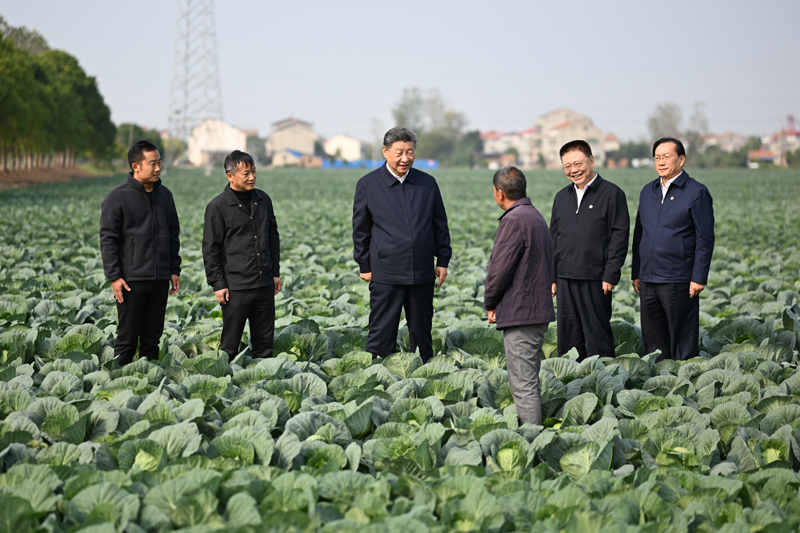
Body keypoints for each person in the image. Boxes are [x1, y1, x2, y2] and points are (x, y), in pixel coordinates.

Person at [352, 127, 451, 362]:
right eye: (399, 152)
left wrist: (443, 260)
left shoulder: (427, 183)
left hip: (421, 272)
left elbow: (440, 224)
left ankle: (424, 374)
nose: (405, 158)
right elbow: (360, 230)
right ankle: (379, 377)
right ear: (385, 151)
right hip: (386, 272)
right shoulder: (368, 184)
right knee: (381, 334)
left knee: (422, 334)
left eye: (410, 152)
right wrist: (364, 265)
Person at [632, 137, 715, 361]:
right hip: (648, 278)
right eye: (657, 157)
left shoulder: (696, 192)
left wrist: (698, 277)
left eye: (666, 156)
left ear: (681, 159)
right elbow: (639, 234)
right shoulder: (647, 191)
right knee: (652, 340)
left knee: (682, 338)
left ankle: (685, 380)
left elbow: (705, 239)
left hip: (678, 277)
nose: (661, 162)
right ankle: (656, 380)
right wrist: (636, 272)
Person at [99, 140, 181, 366]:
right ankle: (117, 383)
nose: (157, 168)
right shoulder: (117, 197)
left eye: (159, 163)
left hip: (159, 280)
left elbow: (173, 234)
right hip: (131, 281)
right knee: (127, 339)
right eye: (152, 163)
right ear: (136, 166)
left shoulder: (165, 195)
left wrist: (174, 269)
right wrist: (114, 276)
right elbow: (108, 239)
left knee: (152, 340)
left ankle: (150, 384)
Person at [484, 167, 555, 425]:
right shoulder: (535, 215)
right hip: (537, 311)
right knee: (529, 381)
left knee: (523, 386)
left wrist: (490, 303)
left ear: (499, 193)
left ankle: (532, 444)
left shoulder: (513, 220)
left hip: (520, 313)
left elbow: (498, 269)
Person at [550, 140, 629, 361]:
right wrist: (552, 275)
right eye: (567, 166)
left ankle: (602, 381)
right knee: (567, 336)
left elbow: (619, 237)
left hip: (595, 278)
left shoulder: (612, 194)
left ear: (591, 160)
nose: (573, 170)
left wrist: (611, 273)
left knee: (597, 336)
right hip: (565, 277)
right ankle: (571, 383)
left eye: (577, 163)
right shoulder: (561, 197)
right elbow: (553, 237)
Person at [202, 150, 281, 359]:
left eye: (254, 172)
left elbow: (272, 237)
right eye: (246, 174)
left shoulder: (263, 200)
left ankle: (263, 380)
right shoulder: (217, 207)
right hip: (236, 286)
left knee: (264, 343)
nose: (252, 177)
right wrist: (218, 284)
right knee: (230, 343)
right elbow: (211, 249)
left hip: (263, 282)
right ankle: (226, 382)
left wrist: (275, 273)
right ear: (230, 176)